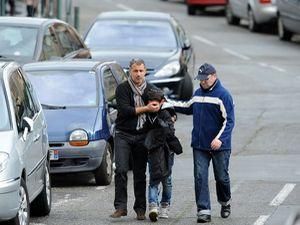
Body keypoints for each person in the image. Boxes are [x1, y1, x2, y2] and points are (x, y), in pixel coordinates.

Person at [167, 63, 235, 223]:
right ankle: (203, 210)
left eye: (206, 79)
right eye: (201, 79)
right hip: (200, 145)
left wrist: (219, 139)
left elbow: (229, 121)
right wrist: (166, 102)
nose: (203, 82)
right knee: (200, 177)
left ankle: (225, 202)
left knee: (221, 177)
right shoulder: (197, 94)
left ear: (214, 76)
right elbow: (186, 106)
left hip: (220, 146)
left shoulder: (223, 95)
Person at [110, 58, 160, 220]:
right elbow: (124, 111)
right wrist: (146, 108)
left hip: (142, 135)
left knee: (140, 173)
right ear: (129, 72)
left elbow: (161, 105)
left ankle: (140, 209)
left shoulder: (151, 89)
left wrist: (166, 112)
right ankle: (120, 207)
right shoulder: (122, 89)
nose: (138, 74)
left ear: (145, 71)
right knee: (121, 170)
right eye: (135, 71)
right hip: (123, 133)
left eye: (141, 71)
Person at [143, 88, 182, 222]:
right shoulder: (145, 114)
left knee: (167, 179)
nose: (154, 104)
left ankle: (165, 205)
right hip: (153, 151)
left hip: (166, 151)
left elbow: (170, 132)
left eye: (156, 102)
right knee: (154, 178)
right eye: (151, 102)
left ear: (162, 102)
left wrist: (162, 122)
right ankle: (153, 206)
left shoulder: (166, 113)